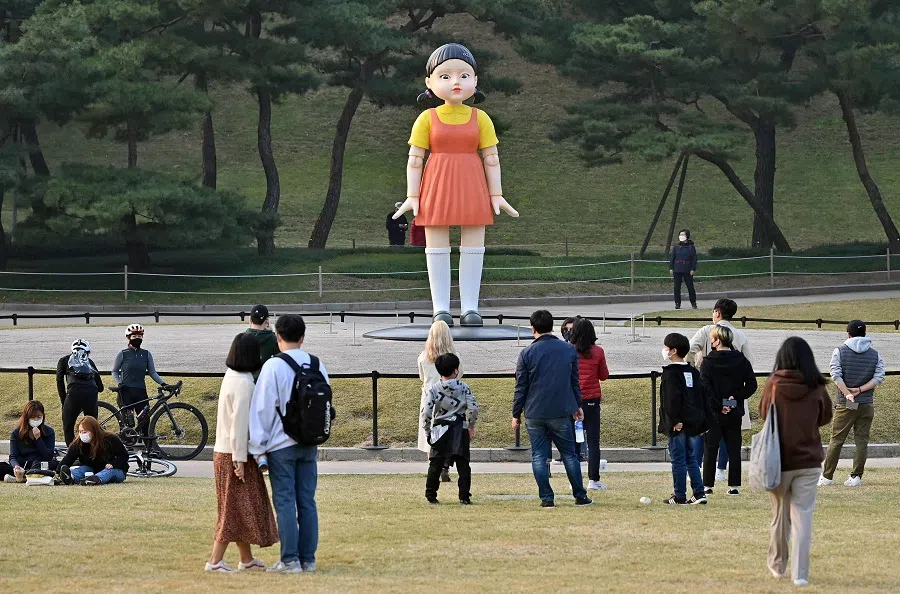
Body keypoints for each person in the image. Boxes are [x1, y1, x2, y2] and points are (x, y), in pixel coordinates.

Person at [393, 43, 519, 327]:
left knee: (474, 244)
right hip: (436, 184)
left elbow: (492, 158)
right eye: (445, 76)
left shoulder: (481, 118)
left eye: (464, 75)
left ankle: (470, 307)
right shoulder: (426, 118)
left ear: (475, 80)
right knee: (436, 244)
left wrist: (496, 193)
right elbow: (414, 159)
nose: (456, 82)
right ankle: (440, 308)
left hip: (472, 184)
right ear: (429, 82)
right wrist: (413, 195)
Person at [249, 314, 328, 574]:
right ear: (303, 337)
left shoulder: (273, 366)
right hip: (309, 441)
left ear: (278, 337)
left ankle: (290, 560)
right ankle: (308, 560)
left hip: (280, 444)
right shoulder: (317, 364)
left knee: (284, 501)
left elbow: (262, 409)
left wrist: (257, 447)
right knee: (307, 501)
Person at [759, 337, 833, 586]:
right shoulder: (816, 386)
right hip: (809, 460)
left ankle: (777, 565)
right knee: (803, 517)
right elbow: (826, 416)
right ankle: (800, 574)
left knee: (780, 516)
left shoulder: (774, 384)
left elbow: (763, 413)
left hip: (778, 461)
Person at [206, 333, 279, 573]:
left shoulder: (231, 376)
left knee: (238, 506)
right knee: (232, 509)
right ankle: (215, 561)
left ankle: (246, 559)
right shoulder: (245, 384)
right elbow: (239, 425)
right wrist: (239, 459)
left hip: (224, 451)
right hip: (235, 453)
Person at [513, 310, 592, 508]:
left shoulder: (526, 353)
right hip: (561, 410)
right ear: (552, 326)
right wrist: (577, 405)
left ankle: (547, 498)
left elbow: (521, 386)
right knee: (569, 455)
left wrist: (516, 413)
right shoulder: (568, 350)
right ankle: (580, 495)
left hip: (535, 411)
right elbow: (574, 381)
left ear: (533, 328)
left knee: (539, 456)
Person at [687, 298, 754, 480]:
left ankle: (699, 466)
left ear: (717, 313)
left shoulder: (707, 331)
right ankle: (721, 469)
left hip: (710, 393)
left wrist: (697, 360)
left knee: (705, 430)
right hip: (732, 395)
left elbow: (689, 350)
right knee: (730, 429)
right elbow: (749, 365)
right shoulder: (740, 336)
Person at [820, 320, 886, 488]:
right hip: (866, 403)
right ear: (865, 334)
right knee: (861, 441)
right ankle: (856, 477)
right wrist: (860, 389)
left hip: (847, 404)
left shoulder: (840, 351)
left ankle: (827, 476)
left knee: (837, 440)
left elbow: (836, 375)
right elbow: (879, 377)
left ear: (848, 334)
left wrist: (848, 393)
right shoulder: (875, 354)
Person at [699, 325, 757, 496]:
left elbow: (705, 387)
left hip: (713, 412)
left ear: (717, 341)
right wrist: (735, 398)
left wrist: (718, 405)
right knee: (734, 448)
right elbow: (752, 384)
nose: (711, 342)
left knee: (710, 448)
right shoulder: (741, 360)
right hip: (734, 408)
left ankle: (707, 485)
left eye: (712, 339)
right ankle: (734, 486)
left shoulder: (708, 362)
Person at [659, 333, 711, 505]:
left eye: (666, 348)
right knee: (691, 458)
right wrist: (703, 423)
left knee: (678, 459)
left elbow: (670, 400)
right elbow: (702, 398)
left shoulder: (670, 374)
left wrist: (673, 421)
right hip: (693, 423)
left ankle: (679, 495)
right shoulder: (693, 372)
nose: (664, 350)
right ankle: (699, 492)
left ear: (673, 351)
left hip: (678, 424)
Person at [421, 353, 479, 505]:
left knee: (435, 463)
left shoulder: (434, 389)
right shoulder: (464, 387)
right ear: (456, 370)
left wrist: (428, 431)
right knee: (463, 464)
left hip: (440, 428)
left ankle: (431, 494)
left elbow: (426, 412)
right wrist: (471, 426)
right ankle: (464, 496)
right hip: (460, 427)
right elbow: (474, 408)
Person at [417, 321, 462, 483]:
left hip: (429, 398)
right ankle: (445, 466)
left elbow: (422, 377)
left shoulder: (423, 357)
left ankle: (433, 467)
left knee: (430, 434)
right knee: (448, 433)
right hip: (449, 399)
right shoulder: (455, 357)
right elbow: (459, 375)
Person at [570, 318, 610, 491]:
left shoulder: (569, 351)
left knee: (574, 442)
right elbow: (604, 375)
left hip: (572, 400)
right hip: (592, 400)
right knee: (593, 441)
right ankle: (593, 479)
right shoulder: (598, 351)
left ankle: (574, 480)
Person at [112, 324, 167, 430]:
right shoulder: (123, 354)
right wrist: (119, 383)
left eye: (140, 336)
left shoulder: (146, 354)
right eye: (134, 336)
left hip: (141, 392)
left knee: (145, 422)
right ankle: (128, 440)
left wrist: (163, 383)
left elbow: (152, 372)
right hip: (126, 392)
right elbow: (114, 371)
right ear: (129, 337)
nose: (137, 338)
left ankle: (145, 441)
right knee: (128, 425)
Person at [56, 339, 104, 444]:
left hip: (73, 393)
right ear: (87, 352)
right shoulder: (90, 362)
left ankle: (72, 450)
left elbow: (59, 380)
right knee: (91, 426)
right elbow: (100, 387)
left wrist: (64, 401)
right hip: (91, 393)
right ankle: (92, 450)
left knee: (68, 427)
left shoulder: (63, 360)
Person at [58, 416, 129, 485]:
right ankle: (71, 478)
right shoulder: (78, 443)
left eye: (84, 432)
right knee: (82, 469)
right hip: (91, 469)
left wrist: (113, 464)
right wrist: (57, 472)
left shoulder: (111, 438)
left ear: (94, 430)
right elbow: (68, 459)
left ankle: (95, 479)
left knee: (109, 472)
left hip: (115, 469)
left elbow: (124, 456)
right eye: (80, 432)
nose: (82, 435)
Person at [1, 401, 57, 483]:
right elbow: (13, 456)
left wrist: (38, 439)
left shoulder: (49, 431)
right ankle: (25, 476)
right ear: (26, 417)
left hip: (38, 465)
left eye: (39, 417)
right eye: (33, 417)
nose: (36, 420)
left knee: (55, 465)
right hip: (22, 465)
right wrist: (16, 467)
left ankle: (22, 478)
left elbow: (49, 456)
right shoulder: (16, 433)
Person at [246, 304, 280, 377]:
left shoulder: (241, 339)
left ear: (250, 319)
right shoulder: (274, 340)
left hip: (247, 380)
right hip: (267, 380)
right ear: (267, 321)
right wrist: (271, 332)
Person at [669, 228, 698, 310]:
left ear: (687, 236)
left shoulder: (691, 247)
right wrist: (671, 267)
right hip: (677, 269)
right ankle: (677, 303)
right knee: (677, 287)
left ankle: (693, 303)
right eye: (680, 235)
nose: (681, 236)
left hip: (687, 269)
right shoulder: (676, 246)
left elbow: (694, 258)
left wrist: (693, 269)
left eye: (683, 235)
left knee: (690, 287)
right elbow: (672, 257)